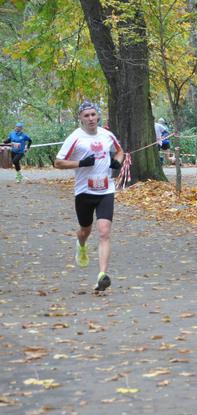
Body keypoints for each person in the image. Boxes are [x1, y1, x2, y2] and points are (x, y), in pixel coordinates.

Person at [54, 101, 124, 291]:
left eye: (93, 115)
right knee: (85, 230)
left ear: (98, 116)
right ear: (80, 118)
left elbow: (119, 151)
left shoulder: (107, 134)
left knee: (104, 231)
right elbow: (58, 162)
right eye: (87, 115)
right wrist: (81, 163)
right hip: (84, 191)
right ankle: (81, 245)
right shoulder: (75, 138)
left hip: (106, 190)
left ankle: (102, 275)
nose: (91, 118)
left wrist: (117, 162)